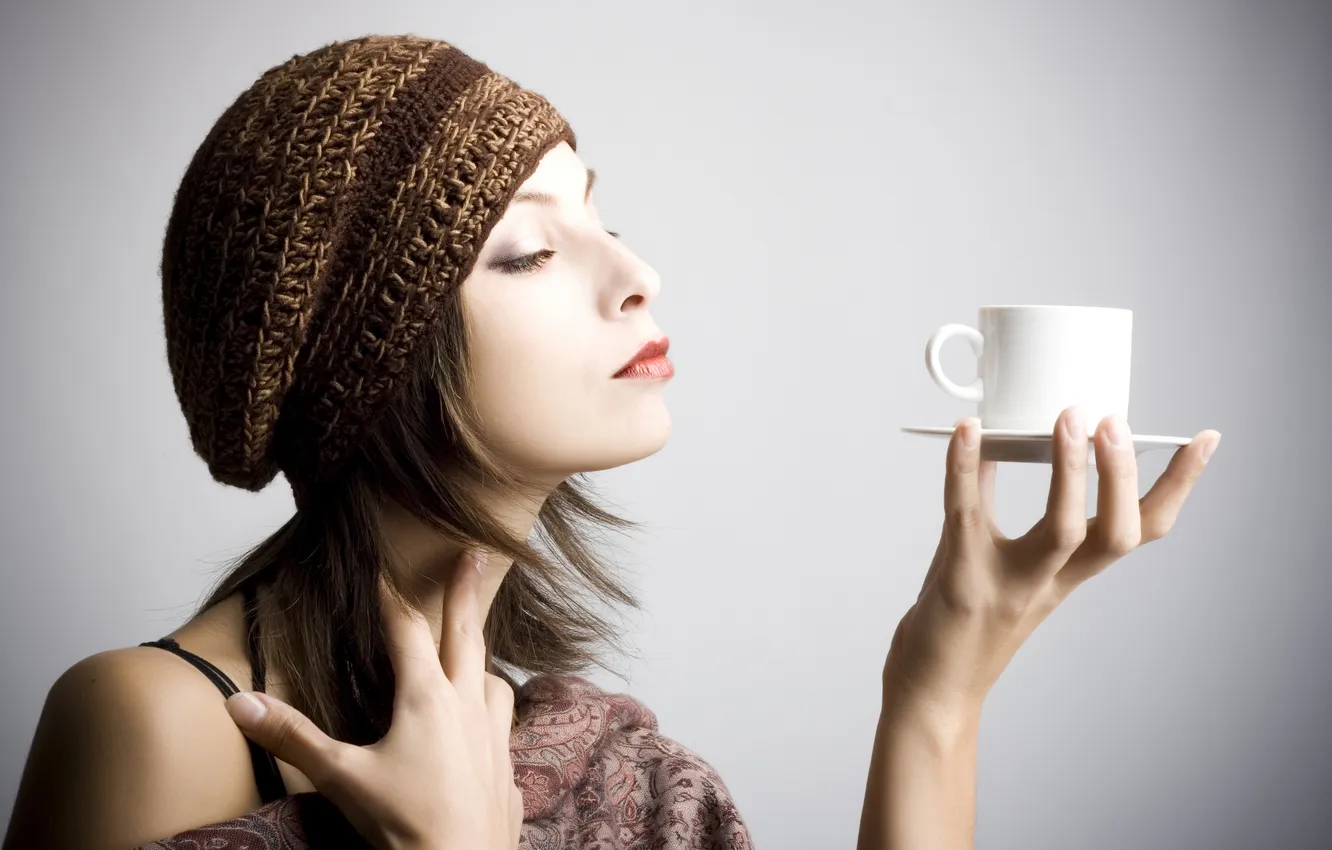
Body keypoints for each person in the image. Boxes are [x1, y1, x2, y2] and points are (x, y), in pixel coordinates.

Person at [2, 34, 1221, 850]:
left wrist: (938, 690)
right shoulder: (154, 726)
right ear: (358, 361)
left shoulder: (606, 763)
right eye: (529, 250)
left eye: (604, 219)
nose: (638, 276)